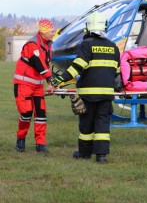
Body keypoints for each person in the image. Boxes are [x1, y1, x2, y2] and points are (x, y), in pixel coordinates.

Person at [51, 12, 120, 164]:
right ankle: (101, 156)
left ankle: (84, 153)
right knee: (102, 125)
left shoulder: (86, 44)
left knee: (86, 125)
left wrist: (61, 79)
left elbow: (78, 67)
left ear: (88, 28)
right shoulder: (113, 46)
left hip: (88, 94)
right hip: (106, 95)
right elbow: (117, 73)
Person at [14, 19, 55, 153]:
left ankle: (40, 145)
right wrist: (50, 80)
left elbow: (47, 65)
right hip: (24, 84)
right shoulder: (32, 44)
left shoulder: (48, 45)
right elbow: (38, 64)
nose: (53, 33)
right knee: (26, 113)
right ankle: (20, 140)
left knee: (41, 115)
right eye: (51, 31)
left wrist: (53, 82)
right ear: (43, 32)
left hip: (37, 85)